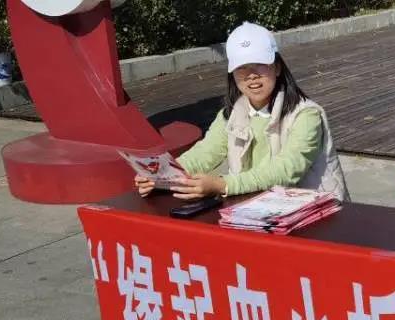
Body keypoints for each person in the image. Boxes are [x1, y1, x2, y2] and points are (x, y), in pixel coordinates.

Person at [135, 22, 348, 201]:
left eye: (259, 64)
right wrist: (163, 174)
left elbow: (287, 169)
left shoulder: (306, 115)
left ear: (277, 67)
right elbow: (206, 152)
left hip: (311, 211)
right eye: (241, 67)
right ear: (232, 74)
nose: (251, 75)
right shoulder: (231, 114)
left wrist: (223, 184)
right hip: (256, 208)